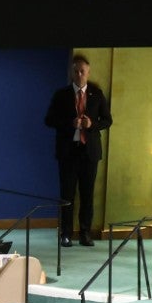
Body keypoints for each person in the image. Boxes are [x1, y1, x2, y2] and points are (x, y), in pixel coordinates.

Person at [46, 55, 113, 248]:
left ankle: (85, 233)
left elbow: (108, 120)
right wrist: (70, 123)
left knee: (87, 195)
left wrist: (92, 125)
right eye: (76, 71)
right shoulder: (61, 95)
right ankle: (66, 234)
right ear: (71, 73)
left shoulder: (97, 94)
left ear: (88, 73)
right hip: (68, 152)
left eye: (83, 71)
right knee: (67, 196)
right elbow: (49, 120)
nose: (79, 74)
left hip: (89, 152)